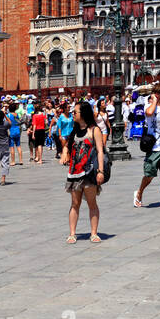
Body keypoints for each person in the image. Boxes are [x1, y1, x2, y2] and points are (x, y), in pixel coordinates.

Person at [61, 100, 105, 243]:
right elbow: (67, 146)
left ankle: (94, 233)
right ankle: (72, 233)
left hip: (89, 172)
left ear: (83, 113)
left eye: (75, 112)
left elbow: (100, 151)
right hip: (74, 172)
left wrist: (101, 171)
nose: (73, 114)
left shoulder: (94, 130)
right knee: (75, 203)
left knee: (92, 202)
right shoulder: (74, 131)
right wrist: (64, 153)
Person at [133, 85, 160, 210]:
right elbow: (149, 113)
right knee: (149, 175)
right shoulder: (149, 106)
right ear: (157, 95)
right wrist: (154, 101)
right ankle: (139, 192)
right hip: (153, 147)